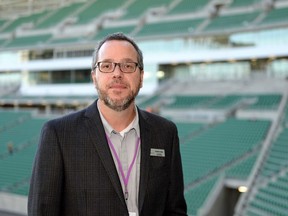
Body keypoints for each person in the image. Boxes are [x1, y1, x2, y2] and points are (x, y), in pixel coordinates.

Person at [28, 32, 187, 216]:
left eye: (128, 66)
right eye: (107, 66)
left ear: (141, 77)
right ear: (94, 76)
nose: (117, 73)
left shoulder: (165, 132)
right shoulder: (59, 134)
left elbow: (175, 210)